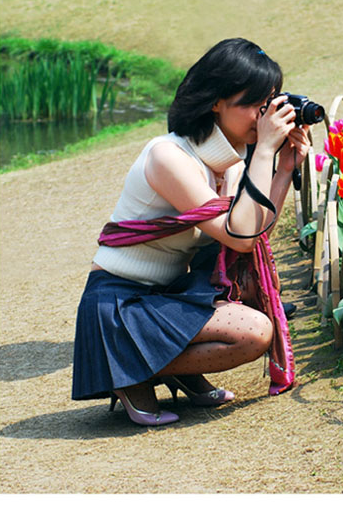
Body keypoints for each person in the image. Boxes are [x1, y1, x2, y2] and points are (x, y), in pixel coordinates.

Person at [71, 38, 310, 426]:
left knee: (251, 288)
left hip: (166, 293)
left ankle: (166, 365)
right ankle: (135, 370)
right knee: (254, 331)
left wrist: (284, 168)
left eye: (268, 105)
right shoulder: (168, 156)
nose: (262, 117)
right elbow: (239, 236)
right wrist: (264, 151)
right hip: (120, 305)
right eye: (252, 105)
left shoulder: (226, 163)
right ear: (215, 101)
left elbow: (253, 232)